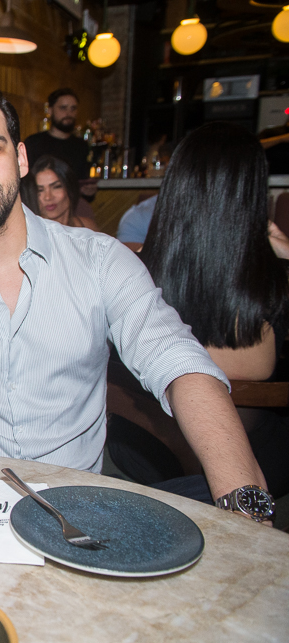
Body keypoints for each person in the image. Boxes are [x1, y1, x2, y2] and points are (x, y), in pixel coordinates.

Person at [0, 84, 269, 517]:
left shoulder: (100, 261)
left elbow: (180, 363)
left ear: (21, 159)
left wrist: (244, 498)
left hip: (81, 503)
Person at [138, 122, 289, 497]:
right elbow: (258, 367)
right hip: (250, 464)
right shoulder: (272, 283)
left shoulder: (135, 270)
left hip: (144, 452)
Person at [23, 88, 97, 200]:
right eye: (63, 108)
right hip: (38, 207)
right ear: (50, 110)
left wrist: (89, 192)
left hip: (72, 208)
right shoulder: (33, 143)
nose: (69, 113)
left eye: (73, 108)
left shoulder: (81, 146)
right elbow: (24, 184)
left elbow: (82, 183)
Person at [20, 155, 97, 230]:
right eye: (40, 190)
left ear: (69, 187)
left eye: (56, 187)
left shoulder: (87, 227)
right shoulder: (28, 232)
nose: (48, 197)